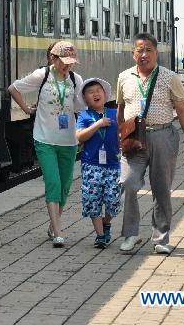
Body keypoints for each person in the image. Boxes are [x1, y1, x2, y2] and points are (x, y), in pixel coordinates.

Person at [117, 33, 184, 255]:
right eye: (139, 50)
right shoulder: (124, 77)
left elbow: (181, 110)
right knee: (129, 182)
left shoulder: (169, 77)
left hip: (163, 135)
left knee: (161, 189)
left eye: (148, 50)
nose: (144, 55)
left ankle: (161, 238)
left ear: (156, 53)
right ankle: (131, 235)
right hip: (134, 138)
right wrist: (119, 136)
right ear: (133, 53)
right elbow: (121, 109)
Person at [8, 41, 85, 248]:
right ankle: (58, 232)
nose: (68, 65)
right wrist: (26, 109)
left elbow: (80, 106)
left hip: (68, 140)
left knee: (65, 187)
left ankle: (53, 225)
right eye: (65, 61)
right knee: (53, 183)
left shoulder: (75, 79)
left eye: (71, 62)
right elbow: (13, 88)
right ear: (53, 58)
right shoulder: (41, 76)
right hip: (44, 139)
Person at [75, 78, 121, 249]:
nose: (95, 94)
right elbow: (79, 137)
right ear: (85, 99)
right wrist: (97, 124)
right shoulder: (84, 116)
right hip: (91, 165)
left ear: (105, 94)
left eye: (98, 90)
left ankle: (106, 222)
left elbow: (121, 135)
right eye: (90, 92)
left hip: (112, 164)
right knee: (92, 200)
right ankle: (100, 236)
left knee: (113, 200)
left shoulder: (114, 113)